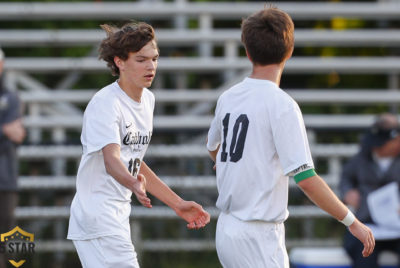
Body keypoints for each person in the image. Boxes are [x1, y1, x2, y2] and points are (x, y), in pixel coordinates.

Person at [206, 7, 375, 268]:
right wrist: (352, 222)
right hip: (258, 234)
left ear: (248, 52)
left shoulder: (228, 97)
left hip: (227, 228)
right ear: (290, 50)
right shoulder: (282, 105)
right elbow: (306, 179)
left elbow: (214, 149)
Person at [67, 22, 210, 268]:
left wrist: (177, 203)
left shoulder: (148, 100)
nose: (151, 66)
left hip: (116, 216)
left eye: (154, 59)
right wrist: (133, 182)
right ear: (119, 62)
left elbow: (133, 161)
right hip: (98, 217)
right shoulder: (105, 103)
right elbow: (112, 161)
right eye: (141, 60)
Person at [340, 113, 400, 268]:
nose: (377, 147)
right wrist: (348, 193)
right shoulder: (362, 157)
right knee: (361, 252)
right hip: (367, 223)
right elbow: (345, 178)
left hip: (397, 225)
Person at [0, 47, 26, 268]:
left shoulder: (11, 97)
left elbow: (18, 133)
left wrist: (10, 131)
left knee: (9, 235)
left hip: (6, 178)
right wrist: (4, 129)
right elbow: (10, 131)